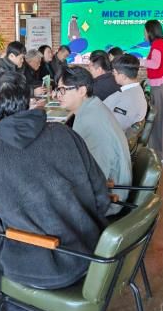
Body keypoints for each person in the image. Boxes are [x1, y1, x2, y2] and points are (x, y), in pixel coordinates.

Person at [0, 70, 110, 311]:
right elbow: (100, 193)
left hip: (46, 267)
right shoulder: (64, 133)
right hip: (90, 252)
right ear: (28, 100)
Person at [56, 66, 132, 211]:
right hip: (105, 189)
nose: (57, 95)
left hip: (109, 199)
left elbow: (96, 178)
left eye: (62, 90)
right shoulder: (92, 107)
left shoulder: (90, 122)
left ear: (82, 91)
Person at [143, 19, 163, 164]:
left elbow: (155, 64)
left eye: (144, 31)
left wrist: (138, 61)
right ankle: (162, 151)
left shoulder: (157, 44)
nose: (144, 34)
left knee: (162, 118)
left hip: (162, 86)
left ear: (150, 31)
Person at [104, 54, 148, 131]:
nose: (113, 74)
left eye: (114, 72)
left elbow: (114, 128)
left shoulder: (130, 99)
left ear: (123, 76)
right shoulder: (134, 90)